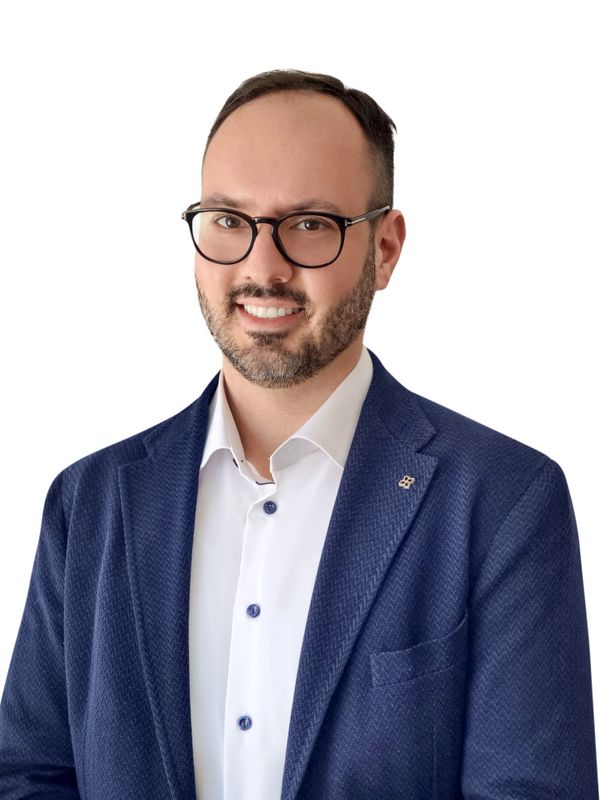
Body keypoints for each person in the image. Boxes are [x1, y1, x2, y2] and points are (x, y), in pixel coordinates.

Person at [0, 69, 597, 799]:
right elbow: (28, 777)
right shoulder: (90, 503)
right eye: (228, 220)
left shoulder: (502, 502)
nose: (261, 266)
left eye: (310, 225)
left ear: (385, 249)